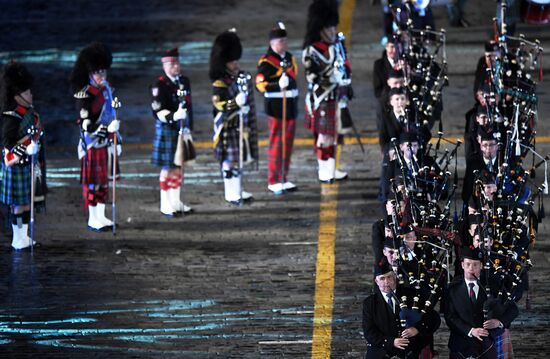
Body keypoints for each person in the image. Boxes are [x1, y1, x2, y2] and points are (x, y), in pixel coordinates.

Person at [70, 42, 121, 232]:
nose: (101, 76)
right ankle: (93, 218)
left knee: (104, 182)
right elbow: (85, 124)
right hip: (92, 142)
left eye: (103, 72)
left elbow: (112, 115)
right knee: (94, 183)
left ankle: (102, 215)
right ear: (90, 74)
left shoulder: (107, 90)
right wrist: (104, 129)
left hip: (107, 141)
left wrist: (116, 136)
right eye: (97, 72)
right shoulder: (85, 95)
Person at [302, 0, 352, 183]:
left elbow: (346, 63)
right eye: (328, 29)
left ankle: (332, 167)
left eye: (333, 28)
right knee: (324, 137)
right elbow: (311, 77)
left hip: (338, 98)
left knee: (335, 135)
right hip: (322, 99)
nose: (332, 32)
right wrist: (333, 78)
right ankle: (324, 170)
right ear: (319, 30)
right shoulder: (311, 51)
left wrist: (347, 80)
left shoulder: (338, 44)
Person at [209, 29, 259, 205]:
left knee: (238, 161)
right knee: (229, 162)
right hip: (227, 127)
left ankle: (237, 189)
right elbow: (219, 105)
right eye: (232, 60)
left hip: (239, 126)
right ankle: (231, 193)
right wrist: (235, 104)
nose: (235, 63)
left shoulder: (238, 77)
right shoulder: (220, 83)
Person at [444, 246, 519, 359]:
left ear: (481, 266)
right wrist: (471, 331)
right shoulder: (452, 289)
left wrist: (499, 322)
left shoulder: (493, 286)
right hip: (460, 346)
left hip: (487, 346)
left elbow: (513, 309)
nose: (471, 268)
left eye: (475, 265)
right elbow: (450, 317)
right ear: (462, 265)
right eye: (468, 264)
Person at [0, 61, 44, 250]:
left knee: (26, 203)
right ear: (17, 96)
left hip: (28, 165)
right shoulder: (11, 116)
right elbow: (7, 143)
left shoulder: (31, 114)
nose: (30, 94)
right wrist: (25, 149)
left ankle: (24, 236)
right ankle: (18, 238)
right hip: (17, 165)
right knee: (18, 205)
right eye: (27, 92)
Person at [362, 260, 440, 359]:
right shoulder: (369, 303)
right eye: (382, 278)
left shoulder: (412, 295)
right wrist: (391, 342)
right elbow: (369, 332)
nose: (386, 282)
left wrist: (417, 329)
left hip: (410, 351)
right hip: (381, 351)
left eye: (389, 277)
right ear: (376, 282)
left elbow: (433, 318)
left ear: (395, 277)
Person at [255, 22, 299, 194]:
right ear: (273, 44)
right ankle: (273, 179)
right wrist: (276, 85)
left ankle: (284, 177)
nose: (284, 44)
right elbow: (260, 85)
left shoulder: (289, 57)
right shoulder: (266, 62)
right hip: (276, 107)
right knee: (276, 144)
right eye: (281, 41)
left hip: (290, 106)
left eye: (285, 40)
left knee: (287, 144)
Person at [150, 47, 193, 216]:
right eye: (171, 64)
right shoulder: (159, 85)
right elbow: (157, 111)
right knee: (167, 167)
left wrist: (189, 125)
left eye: (176, 63)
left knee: (178, 166)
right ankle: (165, 203)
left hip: (182, 129)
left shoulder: (184, 81)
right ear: (164, 66)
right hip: (168, 128)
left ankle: (176, 200)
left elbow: (190, 106)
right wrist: (174, 116)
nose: (175, 66)